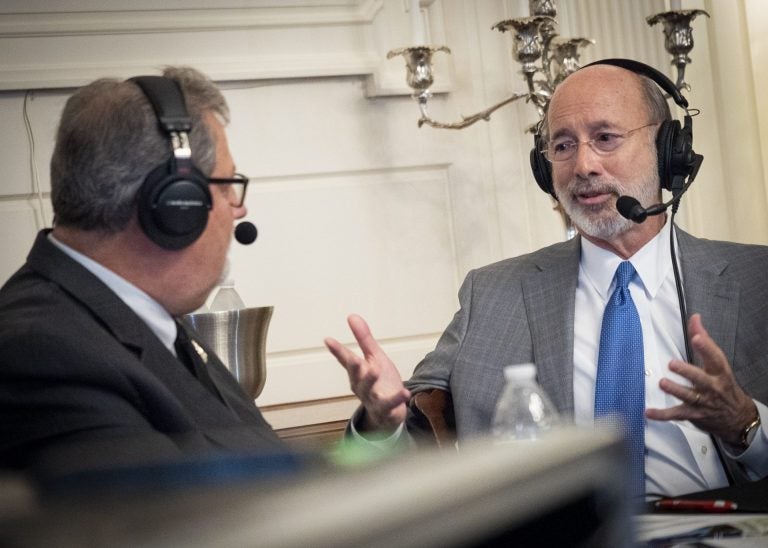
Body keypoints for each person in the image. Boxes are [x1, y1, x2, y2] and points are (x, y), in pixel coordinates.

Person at [325, 59, 768, 498]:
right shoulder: (493, 292)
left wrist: (746, 424)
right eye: (563, 146)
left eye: (606, 138)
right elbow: (402, 452)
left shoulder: (757, 279)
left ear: (669, 149)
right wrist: (380, 425)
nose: (583, 165)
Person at [0, 66, 289, 480]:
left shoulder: (141, 320)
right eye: (226, 185)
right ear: (175, 204)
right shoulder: (40, 354)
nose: (237, 208)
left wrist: (370, 434)